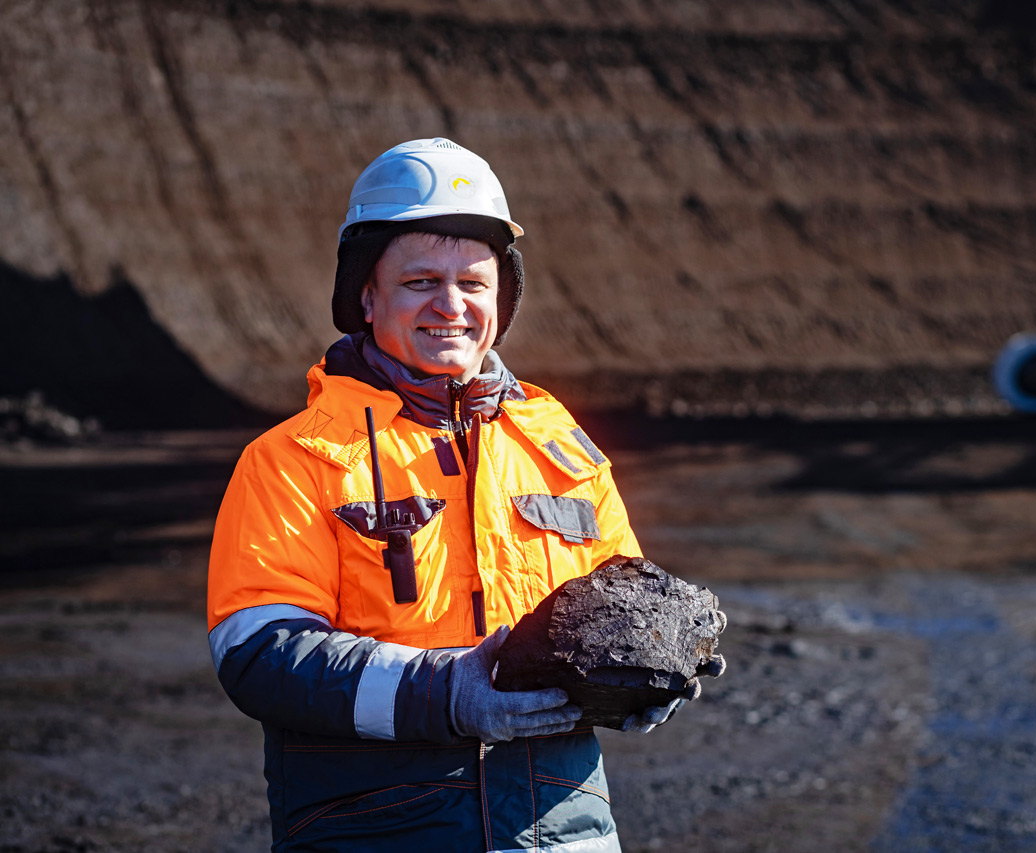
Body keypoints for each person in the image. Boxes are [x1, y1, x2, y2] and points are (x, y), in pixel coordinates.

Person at [206, 138, 724, 852]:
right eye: (421, 281)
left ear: (502, 297)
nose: (451, 305)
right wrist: (445, 694)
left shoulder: (558, 446)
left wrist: (648, 673)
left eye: (474, 283)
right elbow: (259, 655)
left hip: (561, 832)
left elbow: (624, 602)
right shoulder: (292, 460)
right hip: (377, 831)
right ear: (367, 294)